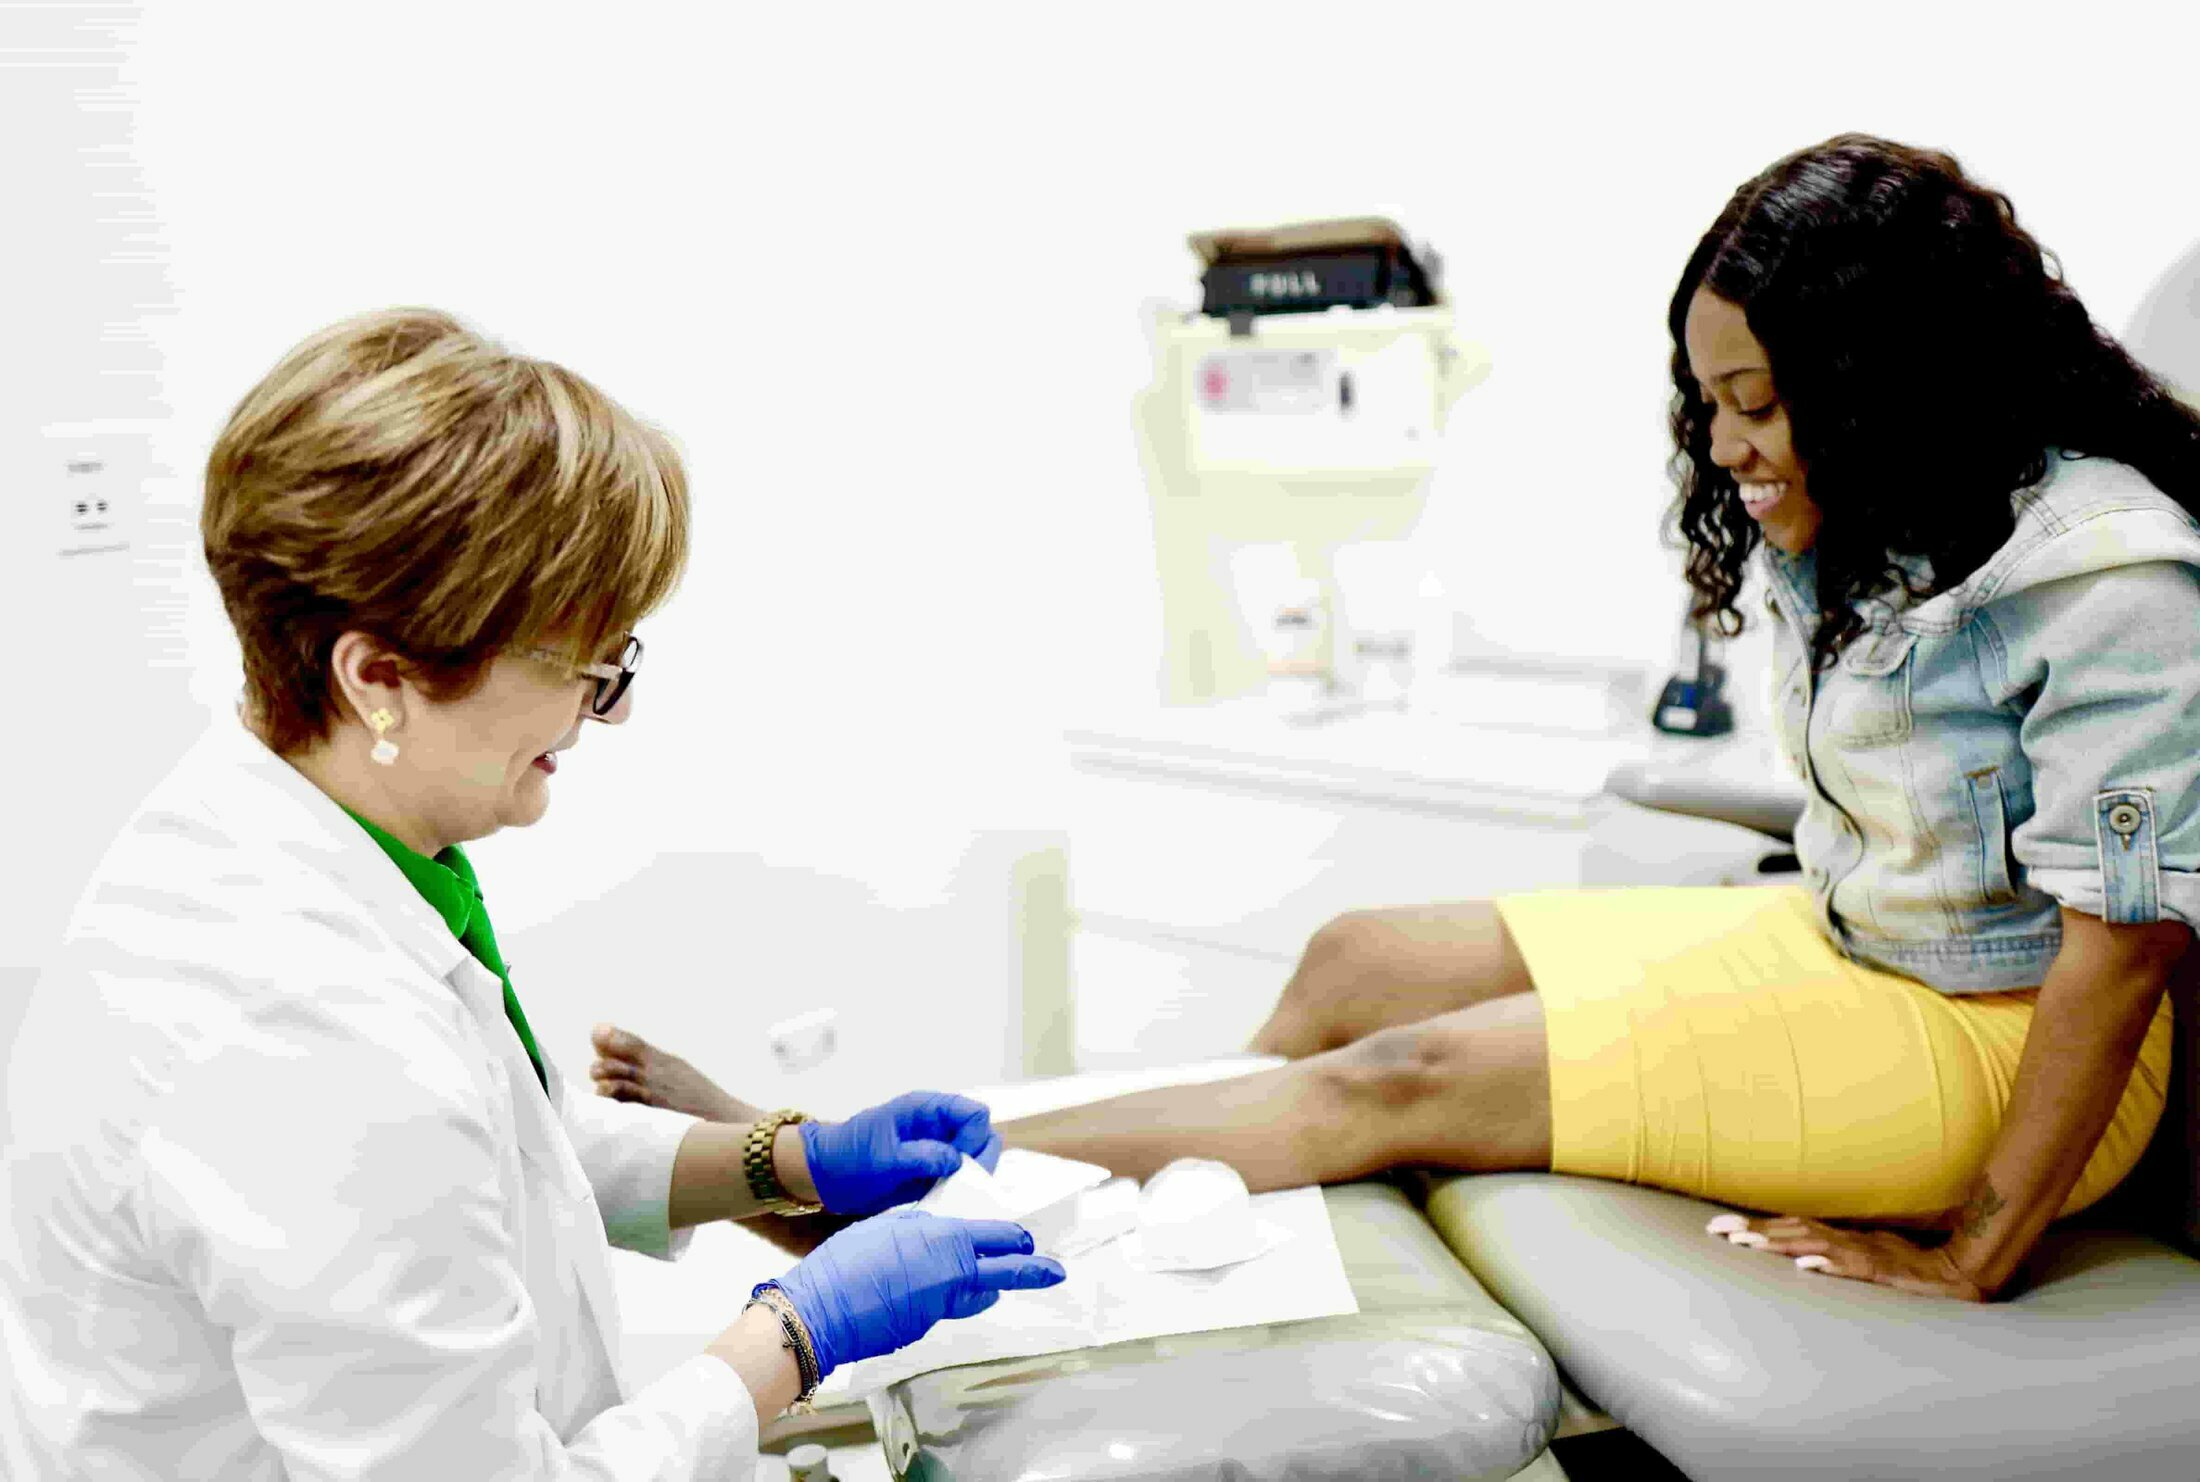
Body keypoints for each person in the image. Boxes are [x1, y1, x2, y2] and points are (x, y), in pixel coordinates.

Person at [591, 134, 2200, 1305]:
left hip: (2009, 1041)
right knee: (1362, 954)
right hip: (1870, 945)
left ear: (1885, 382)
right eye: (1708, 403)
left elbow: (2120, 956)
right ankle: (1034, 1214)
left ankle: (849, 1203)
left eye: (1761, 406)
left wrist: (1977, 1251)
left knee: (1400, 1074)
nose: (1724, 447)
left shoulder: (2107, 578)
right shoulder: (1894, 510)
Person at [0, 309, 1064, 1480]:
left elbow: (498, 1143)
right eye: (580, 671)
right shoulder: (296, 1029)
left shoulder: (281, 823)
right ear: (379, 678)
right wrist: (797, 1334)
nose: (604, 713)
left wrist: (784, 1161)